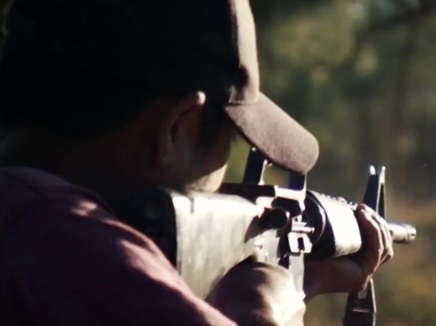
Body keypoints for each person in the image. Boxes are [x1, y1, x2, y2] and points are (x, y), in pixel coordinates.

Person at [0, 0, 393, 325]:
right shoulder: (78, 250)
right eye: (232, 137)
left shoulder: (28, 229)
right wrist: (258, 314)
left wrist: (300, 284)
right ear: (176, 129)